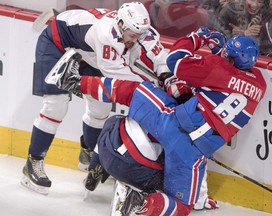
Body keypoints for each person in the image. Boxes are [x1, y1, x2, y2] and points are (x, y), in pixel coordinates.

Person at [47, 26, 267, 215]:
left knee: (133, 91)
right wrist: (221, 54)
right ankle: (139, 203)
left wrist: (197, 38)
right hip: (194, 152)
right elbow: (229, 80)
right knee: (182, 205)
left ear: (229, 60)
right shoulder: (260, 83)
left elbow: (175, 60)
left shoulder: (217, 69)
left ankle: (73, 81)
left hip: (173, 122)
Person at [21, 2, 170, 195]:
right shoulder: (105, 35)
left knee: (100, 107)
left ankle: (88, 154)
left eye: (140, 36)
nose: (136, 41)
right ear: (121, 25)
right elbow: (123, 79)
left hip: (89, 54)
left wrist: (166, 76)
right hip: (58, 44)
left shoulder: (139, 31)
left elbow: (159, 57)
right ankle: (33, 162)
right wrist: (155, 89)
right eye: (132, 36)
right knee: (56, 105)